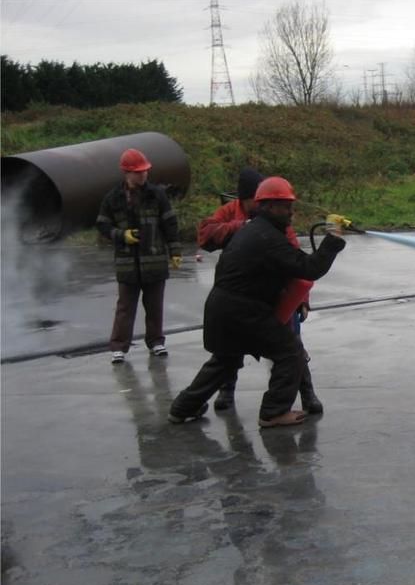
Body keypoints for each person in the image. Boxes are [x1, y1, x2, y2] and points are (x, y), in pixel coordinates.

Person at [168, 176, 346, 428]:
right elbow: (308, 268)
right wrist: (333, 238)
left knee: (225, 361)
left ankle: (182, 408)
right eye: (285, 206)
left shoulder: (254, 230)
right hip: (244, 311)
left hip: (223, 309)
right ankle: (274, 412)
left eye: (290, 205)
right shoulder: (268, 238)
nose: (291, 212)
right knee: (290, 353)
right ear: (269, 206)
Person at [197, 169, 322, 413]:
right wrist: (242, 227)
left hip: (272, 296)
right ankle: (226, 392)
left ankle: (307, 393)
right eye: (257, 198)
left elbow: (297, 262)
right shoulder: (231, 212)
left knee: (291, 346)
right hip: (239, 294)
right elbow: (205, 234)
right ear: (245, 199)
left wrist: (302, 300)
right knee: (228, 352)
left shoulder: (277, 220)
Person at [97, 148, 181, 364]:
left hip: (154, 261)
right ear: (127, 173)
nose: (144, 175)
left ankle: (156, 342)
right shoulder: (113, 198)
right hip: (127, 264)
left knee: (154, 305)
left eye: (145, 171)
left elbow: (170, 223)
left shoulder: (157, 195)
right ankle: (118, 347)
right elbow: (103, 224)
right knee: (125, 307)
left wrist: (175, 251)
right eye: (139, 172)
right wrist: (121, 235)